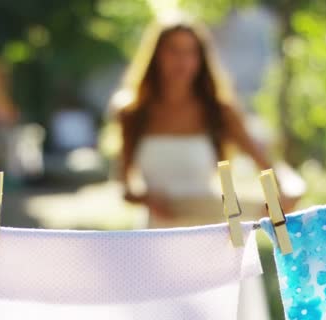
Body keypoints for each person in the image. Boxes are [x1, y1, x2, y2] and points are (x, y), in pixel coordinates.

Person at [114, 14, 293, 228]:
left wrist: (284, 194)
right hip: (155, 233)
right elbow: (125, 189)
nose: (182, 61)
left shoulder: (218, 110)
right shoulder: (132, 112)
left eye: (190, 52)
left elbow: (266, 165)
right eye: (173, 50)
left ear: (201, 58)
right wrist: (148, 199)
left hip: (207, 229)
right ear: (156, 55)